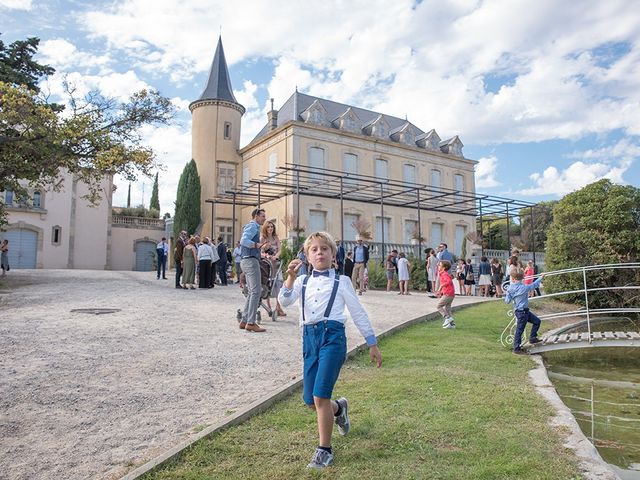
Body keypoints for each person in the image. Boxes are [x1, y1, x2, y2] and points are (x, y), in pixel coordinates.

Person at [278, 231, 382, 469]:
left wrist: (372, 342)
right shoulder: (302, 281)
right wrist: (291, 278)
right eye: (313, 249)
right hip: (310, 339)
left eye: (324, 249)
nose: (319, 253)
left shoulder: (342, 281)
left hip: (333, 338)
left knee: (320, 395)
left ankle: (324, 450)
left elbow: (358, 313)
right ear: (306, 256)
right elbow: (283, 301)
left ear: (333, 254)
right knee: (310, 400)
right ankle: (339, 409)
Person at [239, 208, 267, 333]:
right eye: (263, 216)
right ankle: (251, 322)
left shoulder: (252, 227)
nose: (264, 219)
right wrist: (257, 245)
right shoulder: (253, 226)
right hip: (250, 261)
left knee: (252, 292)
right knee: (256, 291)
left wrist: (259, 247)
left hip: (246, 260)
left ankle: (245, 320)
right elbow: (243, 241)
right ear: (256, 216)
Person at [505, 270, 545, 354]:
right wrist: (541, 277)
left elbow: (507, 301)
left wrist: (510, 295)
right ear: (522, 278)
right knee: (520, 330)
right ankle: (516, 348)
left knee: (537, 321)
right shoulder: (524, 287)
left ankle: (532, 338)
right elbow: (534, 285)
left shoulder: (510, 288)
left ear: (513, 278)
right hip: (522, 312)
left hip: (523, 311)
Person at [260, 220, 285, 316]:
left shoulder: (275, 238)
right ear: (265, 228)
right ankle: (269, 307)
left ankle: (278, 307)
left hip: (276, 263)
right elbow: (260, 251)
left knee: (278, 284)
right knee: (268, 284)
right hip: (267, 263)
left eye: (272, 227)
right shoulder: (262, 238)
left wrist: (276, 256)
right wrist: (266, 256)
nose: (270, 228)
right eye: (268, 227)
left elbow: (280, 249)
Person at [435, 260, 456, 329]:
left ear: (444, 268)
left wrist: (441, 286)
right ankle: (452, 324)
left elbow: (449, 282)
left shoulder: (444, 274)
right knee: (447, 309)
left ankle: (447, 318)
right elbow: (447, 284)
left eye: (439, 265)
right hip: (450, 293)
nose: (438, 266)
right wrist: (440, 292)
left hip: (448, 294)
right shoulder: (443, 273)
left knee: (439, 306)